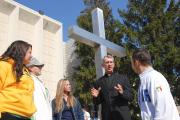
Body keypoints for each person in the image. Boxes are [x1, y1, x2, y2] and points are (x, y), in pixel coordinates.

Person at [131, 48, 180, 120]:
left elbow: (164, 110)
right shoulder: (144, 79)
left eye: (132, 62)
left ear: (137, 62)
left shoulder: (155, 78)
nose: (131, 65)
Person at [0, 40, 35, 120]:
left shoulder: (26, 72)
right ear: (21, 51)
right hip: (8, 114)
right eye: (29, 52)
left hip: (26, 116)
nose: (31, 56)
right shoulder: (3, 65)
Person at [91, 55, 132, 120]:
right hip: (107, 116)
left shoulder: (123, 78)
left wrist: (122, 92)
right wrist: (95, 97)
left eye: (111, 62)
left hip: (122, 116)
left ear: (114, 64)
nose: (109, 64)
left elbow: (130, 97)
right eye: (107, 62)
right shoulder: (98, 82)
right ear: (103, 65)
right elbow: (96, 102)